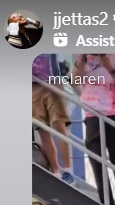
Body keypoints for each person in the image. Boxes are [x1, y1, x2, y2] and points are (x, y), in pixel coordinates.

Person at [72, 54, 115, 205]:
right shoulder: (84, 55)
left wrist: (110, 68)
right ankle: (106, 203)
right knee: (96, 161)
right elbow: (74, 80)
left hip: (114, 112)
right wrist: (83, 59)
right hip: (92, 114)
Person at [32, 54, 74, 184]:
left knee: (59, 124)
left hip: (52, 81)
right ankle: (56, 172)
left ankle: (68, 171)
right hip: (33, 85)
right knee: (43, 130)